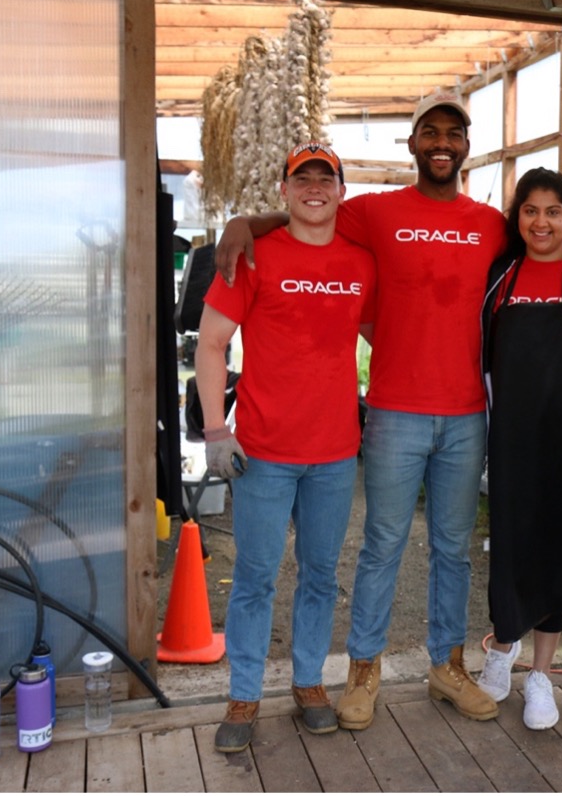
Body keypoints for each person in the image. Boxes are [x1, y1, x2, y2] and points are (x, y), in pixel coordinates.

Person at [214, 92, 507, 730]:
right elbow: (305, 214)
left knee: (453, 550)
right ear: (411, 143)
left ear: (465, 146)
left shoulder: (491, 224)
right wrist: (244, 223)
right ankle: (364, 670)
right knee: (380, 548)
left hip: (465, 415)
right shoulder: (372, 213)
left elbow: (542, 250)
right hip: (394, 414)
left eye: (452, 133)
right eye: (428, 131)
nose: (440, 142)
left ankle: (446, 665)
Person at [197, 141, 375, 753]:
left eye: (327, 177)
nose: (315, 188)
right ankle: (243, 695)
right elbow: (211, 343)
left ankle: (308, 683)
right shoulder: (252, 254)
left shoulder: (361, 262)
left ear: (341, 190)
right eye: (304, 178)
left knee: (322, 575)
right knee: (254, 576)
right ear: (285, 189)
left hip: (333, 452)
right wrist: (215, 432)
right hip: (265, 452)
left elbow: (386, 337)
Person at [477, 168, 562, 730]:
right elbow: (481, 358)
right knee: (509, 547)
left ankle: (540, 676)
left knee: (556, 556)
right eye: (530, 210)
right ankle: (502, 650)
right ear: (518, 218)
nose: (541, 221)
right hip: (511, 440)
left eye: (553, 211)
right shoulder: (500, 274)